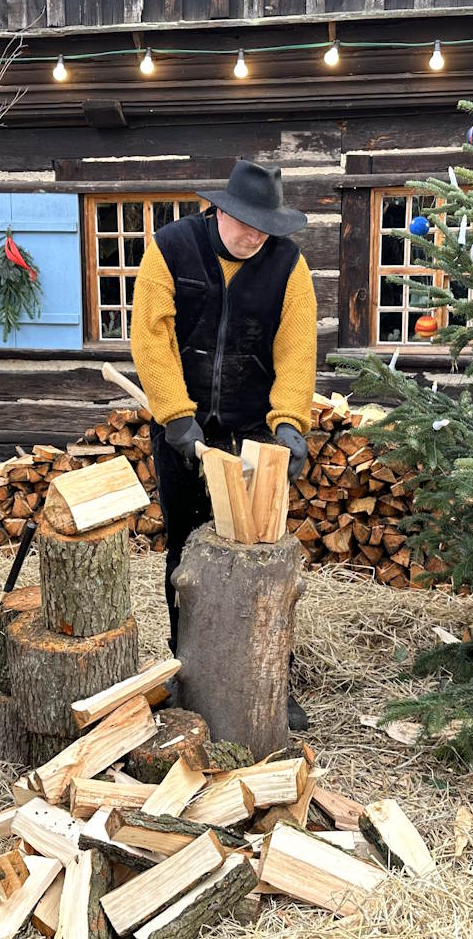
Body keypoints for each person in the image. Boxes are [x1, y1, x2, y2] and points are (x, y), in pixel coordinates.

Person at [129, 160, 317, 730]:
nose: (255, 235)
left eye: (266, 225)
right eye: (246, 223)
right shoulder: (171, 249)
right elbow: (151, 336)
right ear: (220, 210)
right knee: (187, 553)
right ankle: (189, 673)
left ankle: (266, 677)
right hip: (183, 429)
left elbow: (296, 350)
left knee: (259, 556)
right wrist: (175, 415)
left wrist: (289, 423)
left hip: (253, 430)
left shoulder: (289, 264)